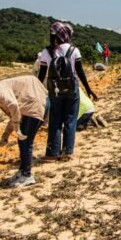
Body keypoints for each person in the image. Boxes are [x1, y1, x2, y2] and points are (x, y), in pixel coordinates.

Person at [38, 22, 99, 161]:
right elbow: (80, 72)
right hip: (72, 88)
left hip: (55, 90)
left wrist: (38, 91)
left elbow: (41, 76)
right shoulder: (74, 50)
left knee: (55, 121)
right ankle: (67, 152)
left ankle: (52, 153)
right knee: (70, 120)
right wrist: (89, 90)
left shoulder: (46, 52)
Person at [0, 76, 47, 187]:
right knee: (23, 142)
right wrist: (5, 135)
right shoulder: (0, 89)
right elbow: (13, 114)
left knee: (26, 142)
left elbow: (13, 105)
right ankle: (22, 172)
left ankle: (27, 176)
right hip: (34, 104)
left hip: (33, 105)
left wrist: (17, 127)